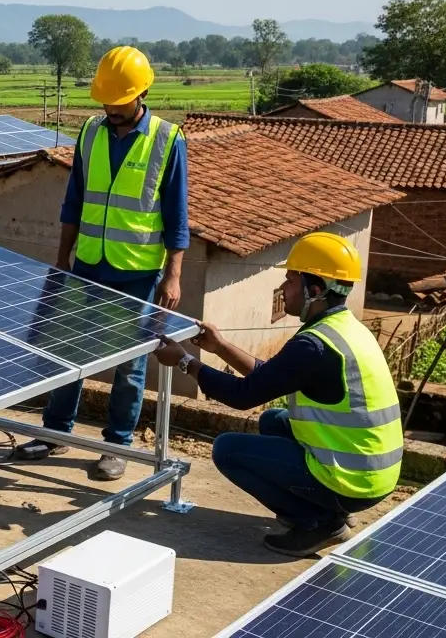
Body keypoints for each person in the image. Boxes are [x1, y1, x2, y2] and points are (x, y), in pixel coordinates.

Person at [153, 232, 402, 557]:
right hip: (372, 473)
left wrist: (185, 362)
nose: (283, 289)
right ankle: (332, 508)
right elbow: (269, 376)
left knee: (228, 449)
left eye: (290, 281)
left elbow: (243, 396)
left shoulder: (313, 346)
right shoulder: (345, 328)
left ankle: (318, 522)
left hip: (353, 481)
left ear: (315, 291)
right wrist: (220, 346)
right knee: (273, 420)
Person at [15, 46, 190, 481]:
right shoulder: (91, 133)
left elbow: (177, 215)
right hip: (87, 264)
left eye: (120, 100)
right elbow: (74, 200)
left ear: (142, 93)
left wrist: (173, 275)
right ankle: (55, 432)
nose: (111, 108)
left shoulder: (167, 139)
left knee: (128, 364)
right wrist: (62, 259)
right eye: (106, 100)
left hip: (136, 272)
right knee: (67, 350)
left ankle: (117, 445)